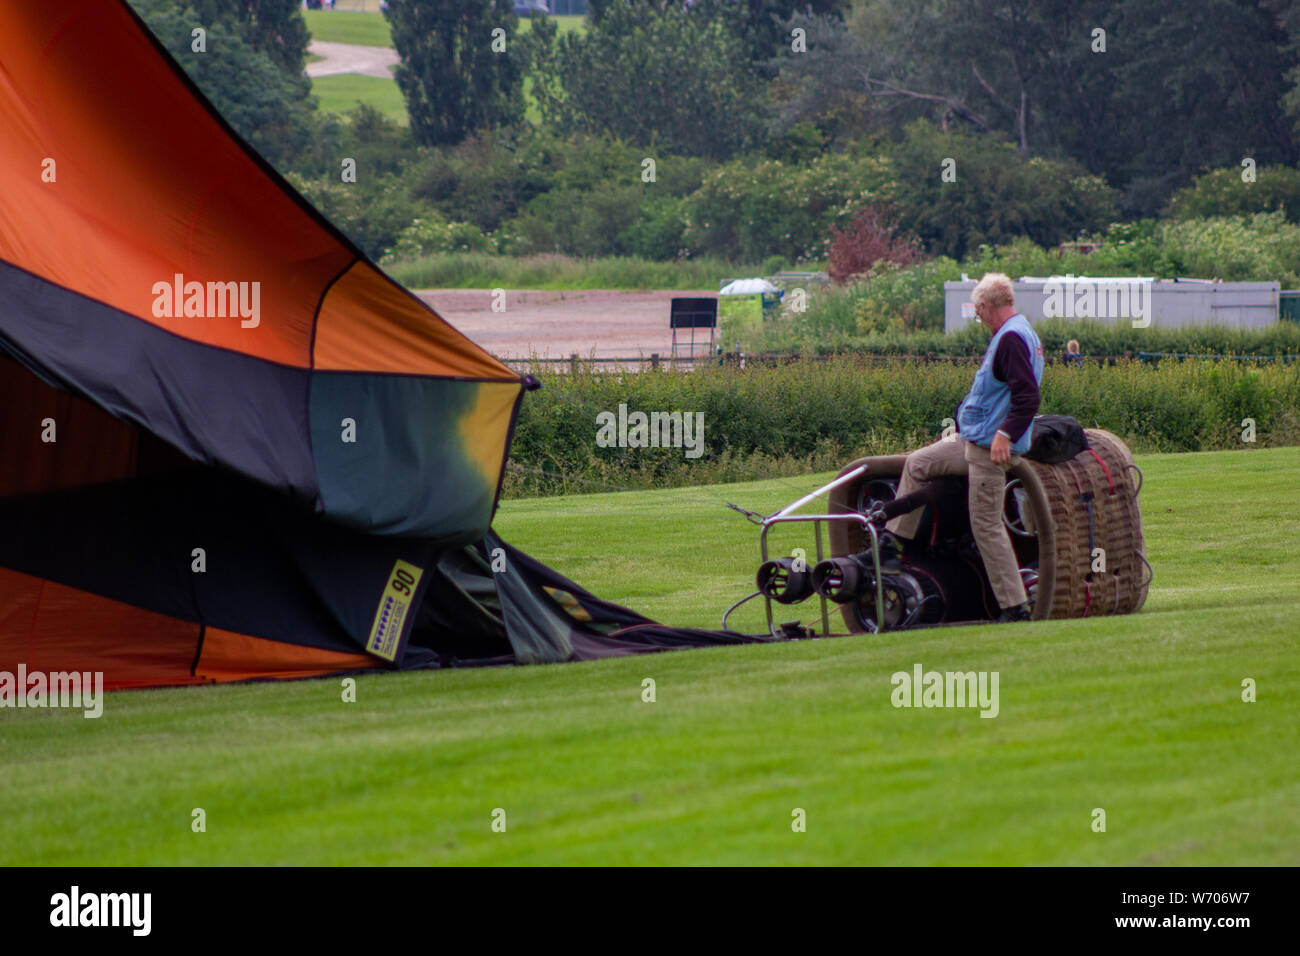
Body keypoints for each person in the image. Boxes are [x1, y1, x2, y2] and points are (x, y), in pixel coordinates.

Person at [873, 273, 1044, 623]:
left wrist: (1005, 435)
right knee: (919, 463)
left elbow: (1028, 396)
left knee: (986, 526)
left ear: (984, 306)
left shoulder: (1010, 339)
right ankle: (894, 544)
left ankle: (1014, 607)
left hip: (989, 448)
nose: (978, 318)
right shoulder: (1019, 331)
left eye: (978, 311)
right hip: (971, 440)